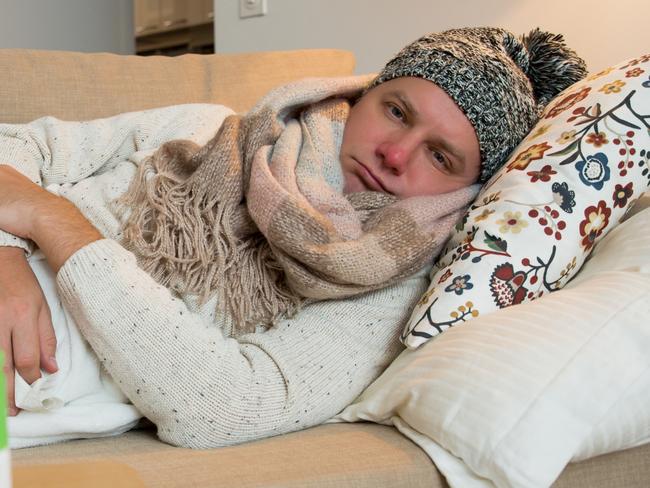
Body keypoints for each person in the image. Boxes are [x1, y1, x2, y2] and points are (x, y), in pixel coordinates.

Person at [0, 27, 586, 448]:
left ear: (467, 189)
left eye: (440, 155)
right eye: (398, 111)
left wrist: (55, 224)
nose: (395, 152)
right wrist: (10, 254)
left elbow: (222, 408)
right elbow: (19, 144)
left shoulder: (386, 293)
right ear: (361, 94)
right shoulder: (206, 127)